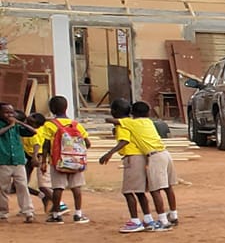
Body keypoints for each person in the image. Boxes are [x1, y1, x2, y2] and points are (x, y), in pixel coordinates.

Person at [101, 99, 169, 232]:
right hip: (141, 157)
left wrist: (108, 154)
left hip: (132, 159)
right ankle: (148, 219)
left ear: (114, 112)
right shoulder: (136, 123)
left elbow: (124, 140)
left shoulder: (124, 124)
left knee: (128, 192)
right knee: (139, 191)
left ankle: (135, 221)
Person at [32, 96, 89, 224]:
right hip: (75, 161)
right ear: (66, 107)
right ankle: (78, 214)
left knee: (58, 188)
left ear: (52, 109)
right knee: (76, 188)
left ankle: (57, 215)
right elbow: (87, 143)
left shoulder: (50, 125)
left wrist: (44, 161)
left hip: (57, 161)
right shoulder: (76, 124)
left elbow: (46, 144)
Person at [130, 97, 178, 228]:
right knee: (168, 187)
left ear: (133, 114)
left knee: (155, 189)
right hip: (165, 154)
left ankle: (162, 220)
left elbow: (114, 121)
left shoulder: (132, 123)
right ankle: (173, 214)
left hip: (154, 156)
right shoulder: (149, 122)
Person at [0, 101, 35, 222]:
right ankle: (3, 212)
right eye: (6, 112)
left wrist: (20, 123)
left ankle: (28, 211)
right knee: (2, 188)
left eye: (11, 112)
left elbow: (33, 132)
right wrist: (9, 125)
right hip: (3, 161)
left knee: (22, 186)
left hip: (18, 161)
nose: (9, 115)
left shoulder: (17, 125)